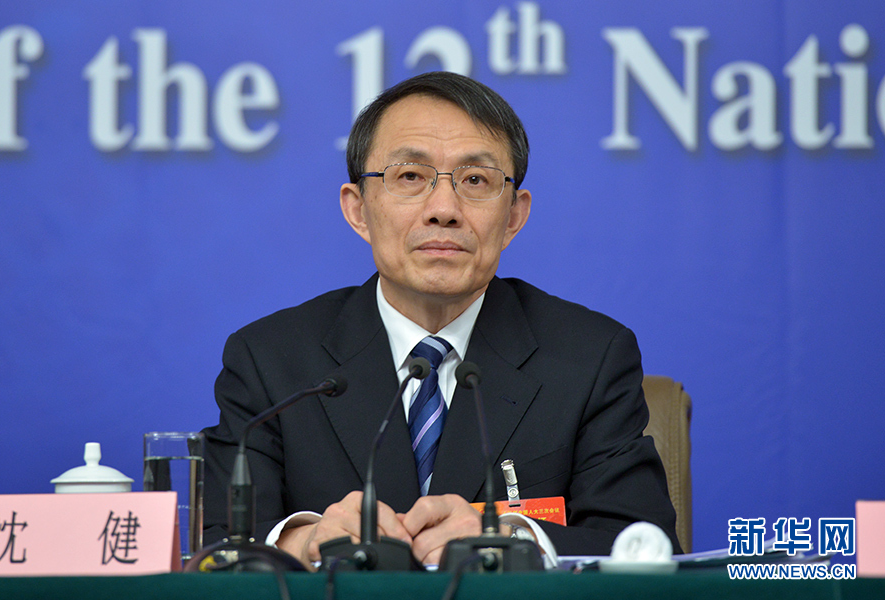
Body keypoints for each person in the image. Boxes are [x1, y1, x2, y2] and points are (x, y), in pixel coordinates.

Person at [201, 71, 680, 569]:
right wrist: (302, 542)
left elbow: (647, 551)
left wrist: (514, 537)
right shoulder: (270, 361)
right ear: (358, 209)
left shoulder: (590, 357)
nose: (444, 209)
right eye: (410, 176)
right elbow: (212, 546)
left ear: (514, 216)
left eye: (475, 180)